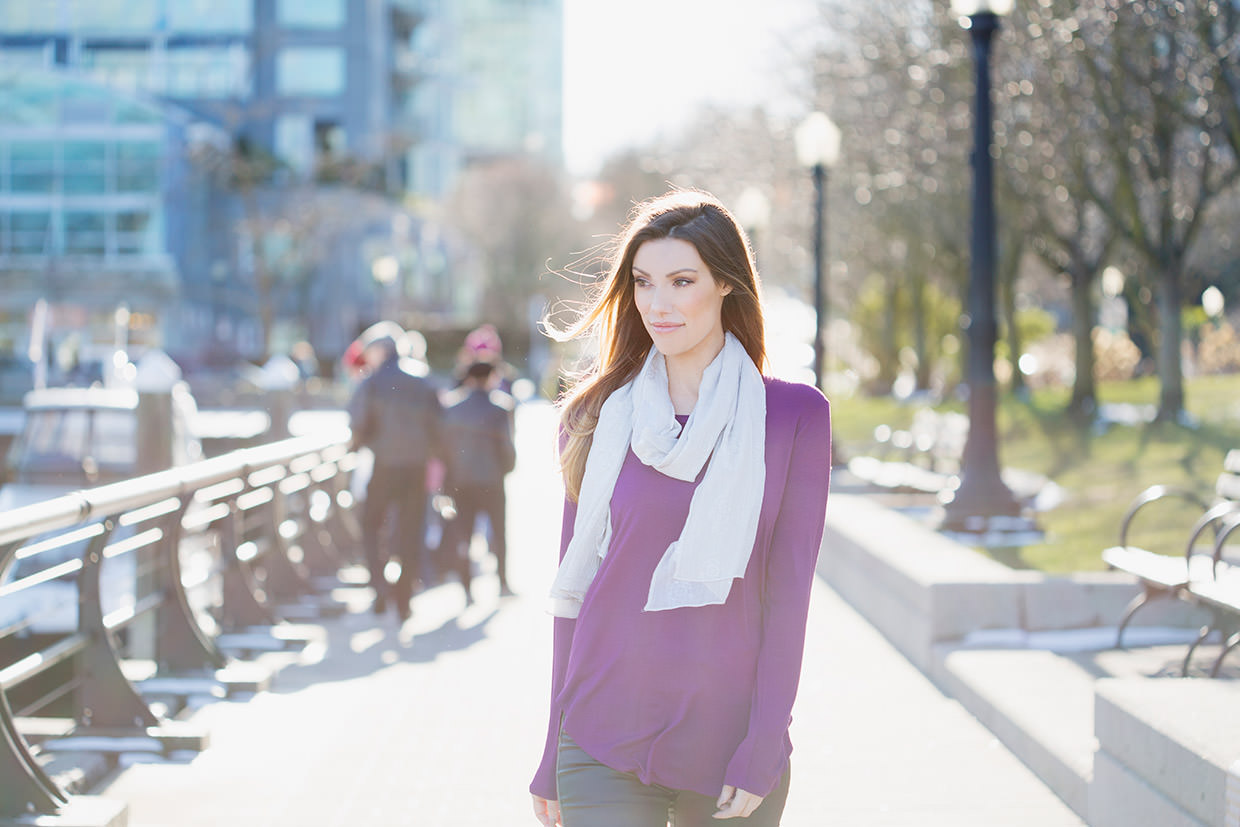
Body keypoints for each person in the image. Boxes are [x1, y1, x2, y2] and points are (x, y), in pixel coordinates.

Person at [529, 190, 832, 826]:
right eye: (642, 283)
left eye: (681, 281)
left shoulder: (794, 417)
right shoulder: (593, 418)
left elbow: (789, 595)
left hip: (728, 741)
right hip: (601, 733)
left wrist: (766, 741)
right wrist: (551, 743)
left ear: (726, 284)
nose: (657, 304)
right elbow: (574, 591)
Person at [347, 327, 443, 622]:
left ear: (380, 351)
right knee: (411, 532)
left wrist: (358, 446)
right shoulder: (423, 379)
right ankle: (404, 599)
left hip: (384, 465)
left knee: (371, 526)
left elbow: (359, 423)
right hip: (415, 467)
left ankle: (379, 588)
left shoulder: (372, 382)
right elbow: (439, 425)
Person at [439, 360, 517, 602]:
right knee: (499, 533)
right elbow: (506, 447)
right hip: (492, 479)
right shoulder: (500, 408)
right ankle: (502, 583)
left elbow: (445, 449)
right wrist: (506, 469)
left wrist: (448, 480)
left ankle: (466, 588)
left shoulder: (453, 407)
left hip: (462, 481)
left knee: (464, 535)